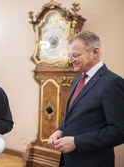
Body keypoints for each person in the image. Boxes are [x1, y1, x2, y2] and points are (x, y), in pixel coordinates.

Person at [48, 31, 124, 167]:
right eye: (70, 55)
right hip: (70, 160)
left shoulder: (113, 83)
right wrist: (60, 130)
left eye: (75, 55)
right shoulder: (77, 80)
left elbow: (119, 131)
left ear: (95, 52)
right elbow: (73, 115)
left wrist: (77, 142)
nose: (71, 60)